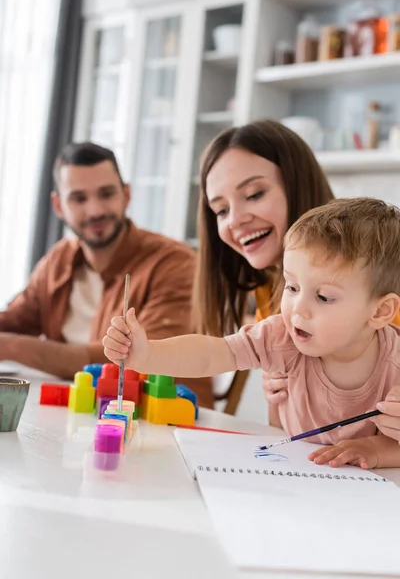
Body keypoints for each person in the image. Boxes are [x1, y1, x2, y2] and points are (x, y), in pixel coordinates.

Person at [104, 198, 400, 469]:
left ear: (380, 312)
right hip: (290, 475)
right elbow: (213, 354)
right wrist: (148, 355)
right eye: (292, 287)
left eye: (323, 297)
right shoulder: (281, 336)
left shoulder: (395, 363)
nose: (298, 309)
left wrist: (376, 450)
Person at [0, 142, 214, 407]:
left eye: (106, 193)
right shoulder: (60, 258)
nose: (95, 210)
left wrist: (10, 347)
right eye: (79, 198)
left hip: (160, 425)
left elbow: (133, 361)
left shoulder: (175, 263)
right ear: (58, 205)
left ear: (126, 194)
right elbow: (12, 321)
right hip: (78, 415)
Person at [191, 120, 334, 423]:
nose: (234, 221)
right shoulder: (269, 287)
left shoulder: (377, 278)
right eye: (221, 210)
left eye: (254, 194)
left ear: (298, 185)